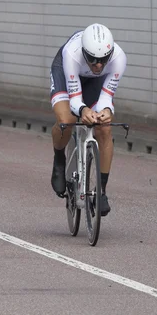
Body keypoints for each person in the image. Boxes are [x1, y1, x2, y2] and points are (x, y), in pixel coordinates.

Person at [49, 23, 127, 216]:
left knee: (104, 128)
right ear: (84, 52)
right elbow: (75, 100)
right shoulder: (72, 53)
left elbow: (106, 98)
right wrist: (83, 110)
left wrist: (106, 111)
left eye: (103, 60)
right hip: (67, 72)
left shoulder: (119, 58)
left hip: (94, 82)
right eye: (92, 59)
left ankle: (101, 191)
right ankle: (59, 159)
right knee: (66, 120)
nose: (98, 65)